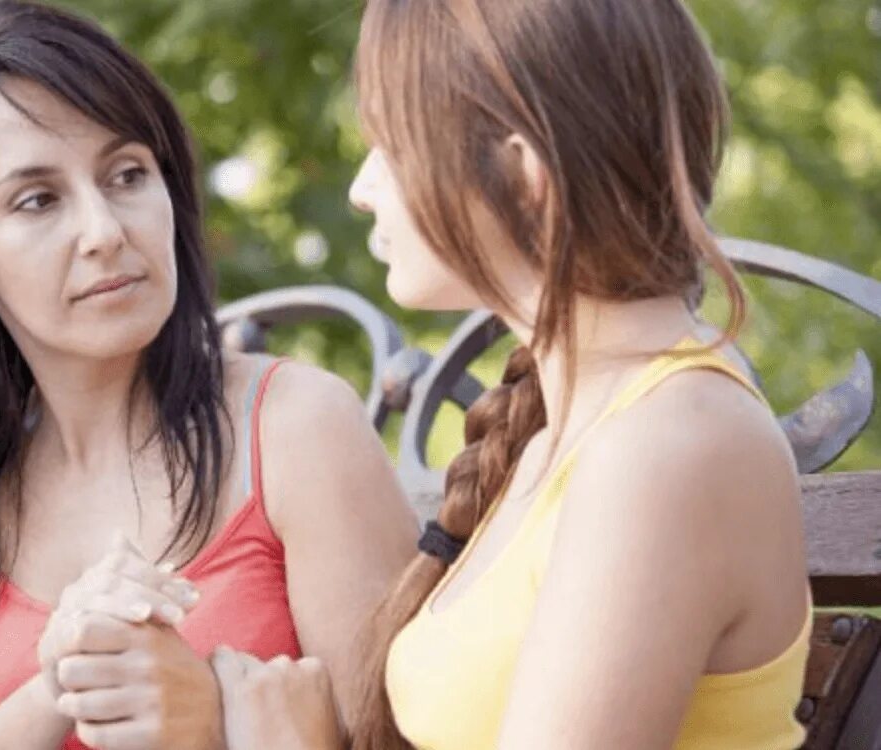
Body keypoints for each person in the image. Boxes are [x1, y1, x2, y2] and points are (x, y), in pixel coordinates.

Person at [211, 1, 812, 748]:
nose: (363, 188)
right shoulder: (560, 434)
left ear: (521, 171)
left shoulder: (671, 446)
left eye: (391, 146)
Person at [0, 2, 418, 748]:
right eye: (38, 200)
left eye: (126, 174)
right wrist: (60, 686)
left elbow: (393, 738)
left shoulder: (295, 427)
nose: (105, 231)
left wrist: (211, 721)